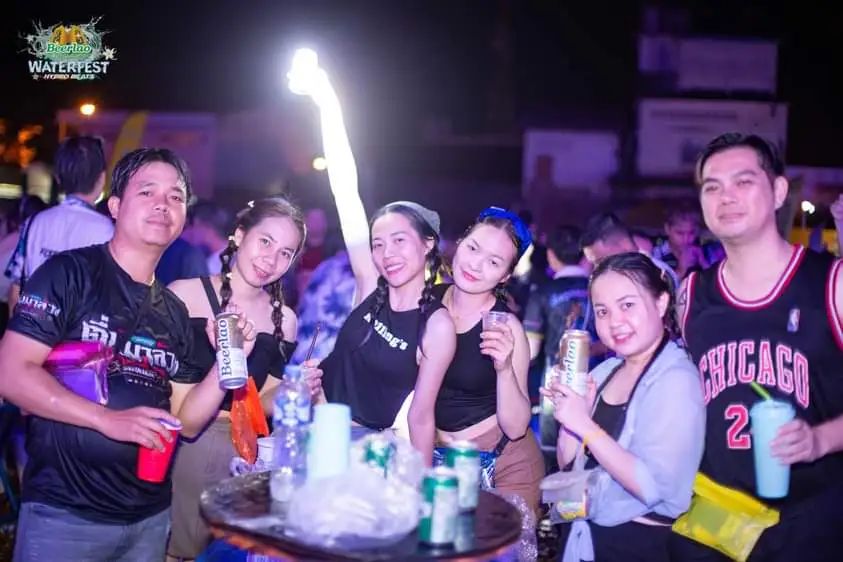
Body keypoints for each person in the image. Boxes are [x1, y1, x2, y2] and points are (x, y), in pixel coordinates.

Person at [0, 148, 256, 562]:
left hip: (148, 521)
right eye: (147, 191)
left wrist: (229, 359)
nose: (163, 204)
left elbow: (187, 421)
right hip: (64, 514)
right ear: (115, 206)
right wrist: (106, 419)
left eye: (176, 196)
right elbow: (10, 373)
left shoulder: (173, 312)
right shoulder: (70, 274)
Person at [673, 133, 843, 561]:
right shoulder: (691, 294)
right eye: (712, 187)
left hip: (812, 525)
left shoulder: (832, 283)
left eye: (743, 181)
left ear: (778, 191)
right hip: (717, 524)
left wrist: (820, 439)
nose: (726, 196)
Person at [288, 50, 456, 464]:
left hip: (370, 454)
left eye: (399, 240)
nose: (386, 253)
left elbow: (421, 417)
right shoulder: (369, 287)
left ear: (427, 244)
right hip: (316, 430)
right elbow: (345, 188)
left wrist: (418, 485)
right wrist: (327, 100)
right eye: (377, 243)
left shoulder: (435, 325)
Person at [166, 197, 304, 561]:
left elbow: (264, 402)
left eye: (285, 253)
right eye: (265, 241)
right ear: (239, 235)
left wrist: (296, 389)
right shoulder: (184, 295)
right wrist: (230, 356)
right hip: (185, 453)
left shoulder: (286, 321)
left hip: (245, 460)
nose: (271, 259)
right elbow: (182, 421)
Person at [542, 252, 704, 562]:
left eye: (627, 305)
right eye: (602, 311)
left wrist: (585, 426)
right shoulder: (605, 372)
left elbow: (652, 486)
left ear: (661, 303)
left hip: (638, 546)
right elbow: (569, 469)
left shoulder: (677, 380)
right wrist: (569, 418)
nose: (614, 322)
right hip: (583, 537)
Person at [433, 206, 545, 512]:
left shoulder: (506, 327)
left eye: (494, 262)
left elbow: (517, 427)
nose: (476, 265)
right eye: (473, 248)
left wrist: (504, 368)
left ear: (505, 275)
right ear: (460, 243)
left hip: (503, 466)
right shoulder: (428, 301)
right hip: (439, 460)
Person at [6, 136, 114, 311]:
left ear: (58, 178)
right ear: (102, 178)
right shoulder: (109, 232)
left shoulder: (34, 223)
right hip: (79, 326)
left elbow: (15, 291)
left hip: (31, 322)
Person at [524, 225, 591, 464]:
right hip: (598, 382)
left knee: (556, 459)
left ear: (551, 255)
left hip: (556, 385)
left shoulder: (543, 292)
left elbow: (530, 351)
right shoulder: (598, 287)